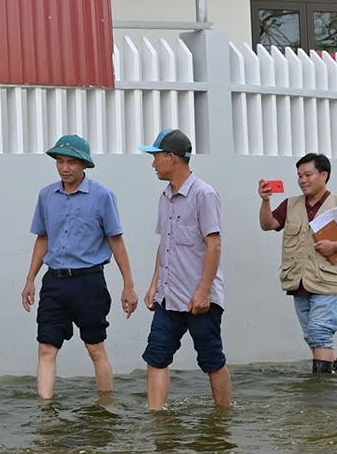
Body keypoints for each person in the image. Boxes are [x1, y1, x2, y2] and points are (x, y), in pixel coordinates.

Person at [21, 134, 138, 399]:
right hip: (54, 281)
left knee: (95, 347)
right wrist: (31, 279)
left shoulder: (103, 196)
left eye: (72, 162)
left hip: (89, 282)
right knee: (46, 348)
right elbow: (43, 238)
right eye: (60, 161)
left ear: (84, 164)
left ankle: (106, 406)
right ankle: (45, 412)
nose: (65, 168)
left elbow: (116, 241)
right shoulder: (46, 195)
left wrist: (128, 286)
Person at [138, 128, 231, 412]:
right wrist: (154, 285)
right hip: (168, 297)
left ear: (172, 157)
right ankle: (157, 418)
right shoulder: (164, 197)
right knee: (156, 356)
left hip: (199, 299)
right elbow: (164, 245)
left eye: (156, 157)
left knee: (211, 359)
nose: (153, 163)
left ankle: (224, 416)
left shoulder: (204, 194)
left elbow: (214, 245)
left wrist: (203, 292)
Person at [258, 152, 337, 374]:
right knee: (313, 336)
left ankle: (320, 392)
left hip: (328, 283)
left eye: (308, 174)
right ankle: (334, 371)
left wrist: (335, 246)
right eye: (299, 176)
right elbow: (268, 224)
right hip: (298, 281)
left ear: (324, 175)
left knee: (320, 332)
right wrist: (265, 201)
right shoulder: (290, 204)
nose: (302, 180)